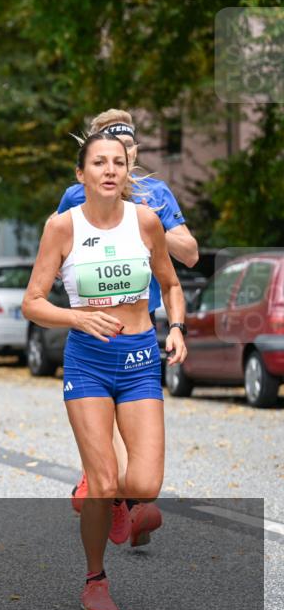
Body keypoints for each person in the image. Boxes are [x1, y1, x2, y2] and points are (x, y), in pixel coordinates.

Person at [22, 132, 187, 610]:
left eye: (118, 162)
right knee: (103, 479)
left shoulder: (146, 222)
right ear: (82, 174)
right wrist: (78, 317)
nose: (111, 170)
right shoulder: (62, 227)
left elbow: (171, 284)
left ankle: (116, 499)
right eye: (99, 162)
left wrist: (175, 327)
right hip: (88, 362)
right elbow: (32, 303)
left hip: (139, 359)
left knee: (145, 483)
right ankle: (95, 578)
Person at [59, 110, 198, 548]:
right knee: (109, 459)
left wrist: (143, 218)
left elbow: (190, 255)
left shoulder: (155, 195)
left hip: (141, 330)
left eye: (129, 146)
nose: (124, 155)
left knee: (141, 471)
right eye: (111, 147)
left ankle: (124, 498)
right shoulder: (73, 196)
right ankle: (109, 495)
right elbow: (63, 248)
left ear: (134, 151)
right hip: (95, 334)